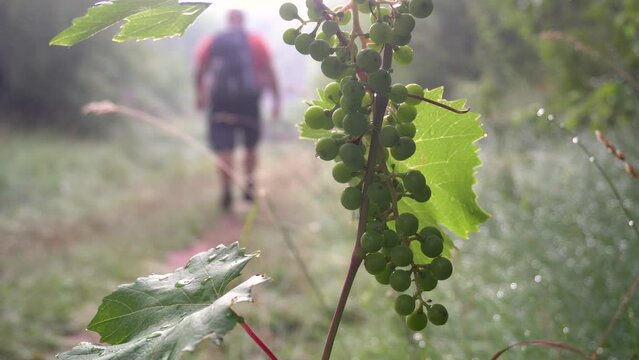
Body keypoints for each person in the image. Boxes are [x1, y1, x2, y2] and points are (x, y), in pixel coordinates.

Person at [195, 9, 281, 212]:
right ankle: (249, 184)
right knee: (250, 147)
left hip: (221, 102)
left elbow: (200, 69)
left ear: (228, 21)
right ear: (243, 21)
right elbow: (269, 71)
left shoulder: (213, 42)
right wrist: (276, 100)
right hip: (249, 102)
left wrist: (200, 95)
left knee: (224, 148)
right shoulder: (256, 42)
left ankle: (226, 190)